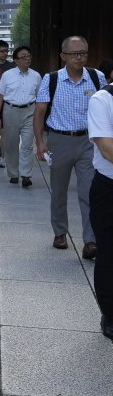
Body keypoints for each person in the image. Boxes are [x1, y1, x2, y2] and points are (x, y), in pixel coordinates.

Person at [34, 35, 106, 258]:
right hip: (59, 140)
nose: (80, 57)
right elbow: (39, 112)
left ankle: (91, 240)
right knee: (59, 191)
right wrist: (40, 143)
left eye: (83, 53)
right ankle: (60, 232)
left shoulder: (97, 77)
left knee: (89, 192)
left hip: (89, 142)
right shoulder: (52, 79)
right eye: (75, 54)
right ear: (63, 56)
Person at [0, 45, 41, 187]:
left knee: (27, 144)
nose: (27, 59)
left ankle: (26, 174)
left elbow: (40, 97)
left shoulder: (36, 76)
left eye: (29, 56)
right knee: (11, 144)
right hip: (11, 110)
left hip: (29, 111)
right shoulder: (8, 75)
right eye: (23, 56)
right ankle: (13, 173)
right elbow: (0, 96)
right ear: (16, 60)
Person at [87, 80, 113, 340]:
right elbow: (107, 148)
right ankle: (110, 313)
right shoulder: (103, 100)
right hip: (109, 188)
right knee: (109, 252)